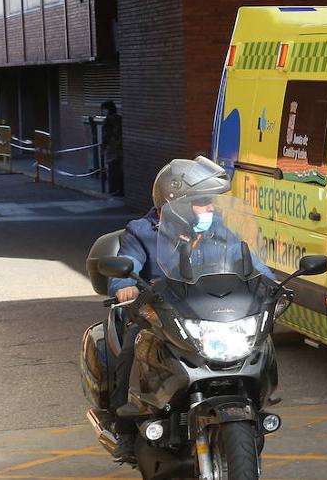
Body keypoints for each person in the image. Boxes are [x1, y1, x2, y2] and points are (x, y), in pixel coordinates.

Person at [107, 156, 272, 460]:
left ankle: (254, 406)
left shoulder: (217, 230)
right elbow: (126, 266)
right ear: (175, 203)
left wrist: (274, 284)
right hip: (157, 311)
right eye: (202, 203)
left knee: (258, 341)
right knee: (132, 347)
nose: (209, 209)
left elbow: (252, 262)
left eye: (211, 203)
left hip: (204, 310)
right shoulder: (142, 231)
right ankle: (125, 429)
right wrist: (123, 287)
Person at [100, 101, 124, 196]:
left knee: (111, 169)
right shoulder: (119, 118)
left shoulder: (108, 121)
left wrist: (103, 148)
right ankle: (121, 189)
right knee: (120, 170)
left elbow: (106, 136)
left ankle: (114, 190)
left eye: (103, 109)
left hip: (112, 149)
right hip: (120, 148)